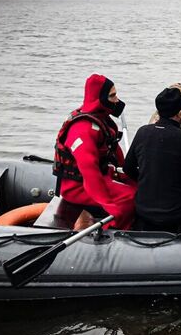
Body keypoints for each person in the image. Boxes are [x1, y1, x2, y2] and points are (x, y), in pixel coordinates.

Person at [53, 74, 136, 230]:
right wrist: (108, 204)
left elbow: (113, 150)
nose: (117, 100)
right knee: (130, 198)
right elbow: (89, 171)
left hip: (103, 175)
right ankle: (114, 233)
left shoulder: (101, 120)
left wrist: (129, 174)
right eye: (112, 95)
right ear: (100, 98)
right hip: (77, 186)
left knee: (139, 187)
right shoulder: (83, 130)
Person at [124, 87, 181, 232]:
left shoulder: (142, 132)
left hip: (143, 209)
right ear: (180, 113)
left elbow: (128, 168)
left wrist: (146, 181)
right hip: (176, 211)